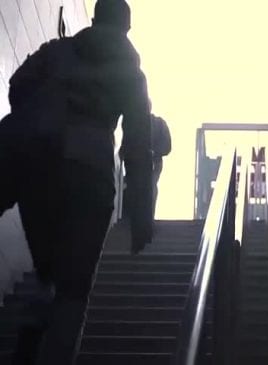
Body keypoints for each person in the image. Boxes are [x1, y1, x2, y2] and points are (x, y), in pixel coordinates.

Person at [0, 0, 152, 363]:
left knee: (48, 268)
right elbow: (137, 142)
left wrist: (46, 117)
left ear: (96, 18)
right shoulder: (131, 72)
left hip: (35, 163)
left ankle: (32, 331)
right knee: (73, 289)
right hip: (89, 171)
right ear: (126, 28)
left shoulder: (58, 50)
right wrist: (140, 211)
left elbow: (17, 84)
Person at [151, 113, 171, 225]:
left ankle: (148, 219)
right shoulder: (159, 124)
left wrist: (155, 152)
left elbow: (167, 146)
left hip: (154, 161)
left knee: (151, 186)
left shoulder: (159, 123)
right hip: (139, 160)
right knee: (150, 187)